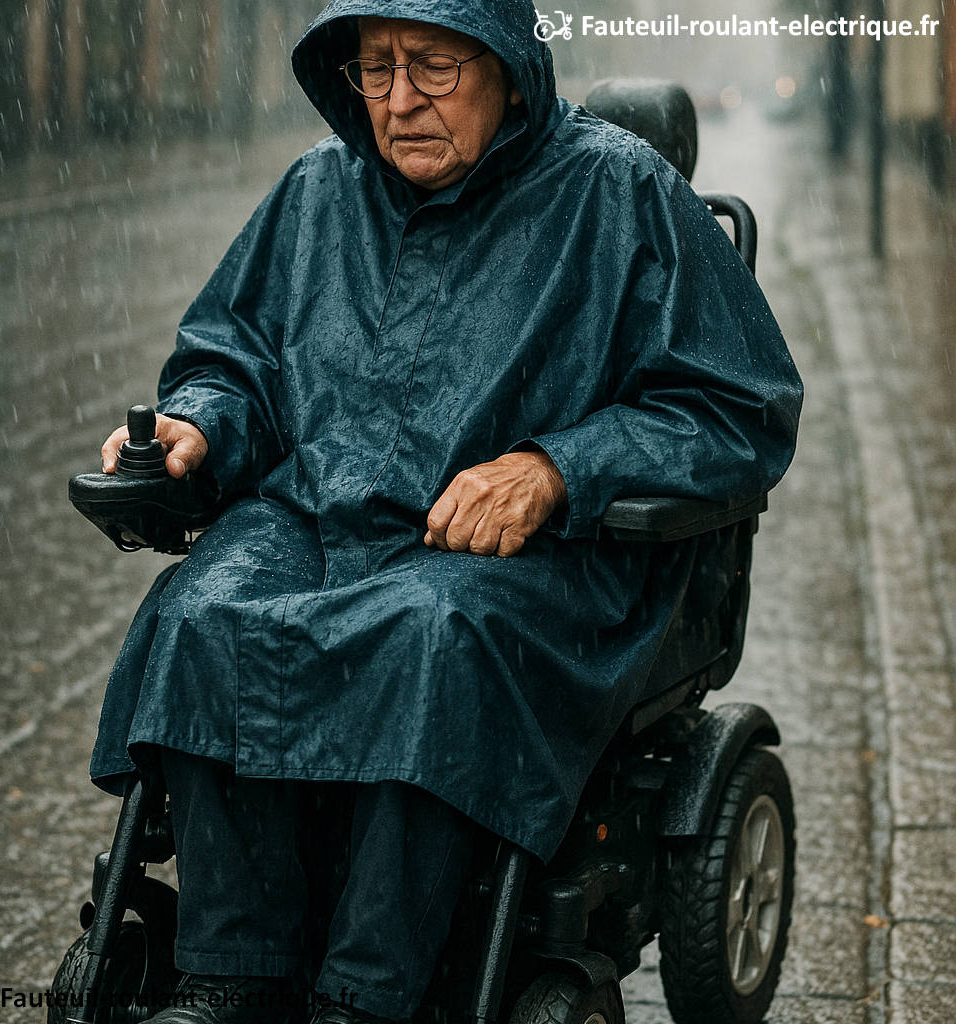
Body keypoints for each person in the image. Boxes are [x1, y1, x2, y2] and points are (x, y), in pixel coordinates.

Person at [90, 2, 803, 1024]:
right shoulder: (315, 194)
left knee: (430, 637)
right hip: (319, 521)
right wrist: (200, 423)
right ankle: (230, 975)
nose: (397, 100)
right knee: (202, 612)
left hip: (529, 557)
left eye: (430, 65)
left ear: (510, 70)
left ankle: (369, 995)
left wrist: (559, 467)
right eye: (373, 70)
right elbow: (231, 359)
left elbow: (737, 406)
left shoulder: (615, 193)